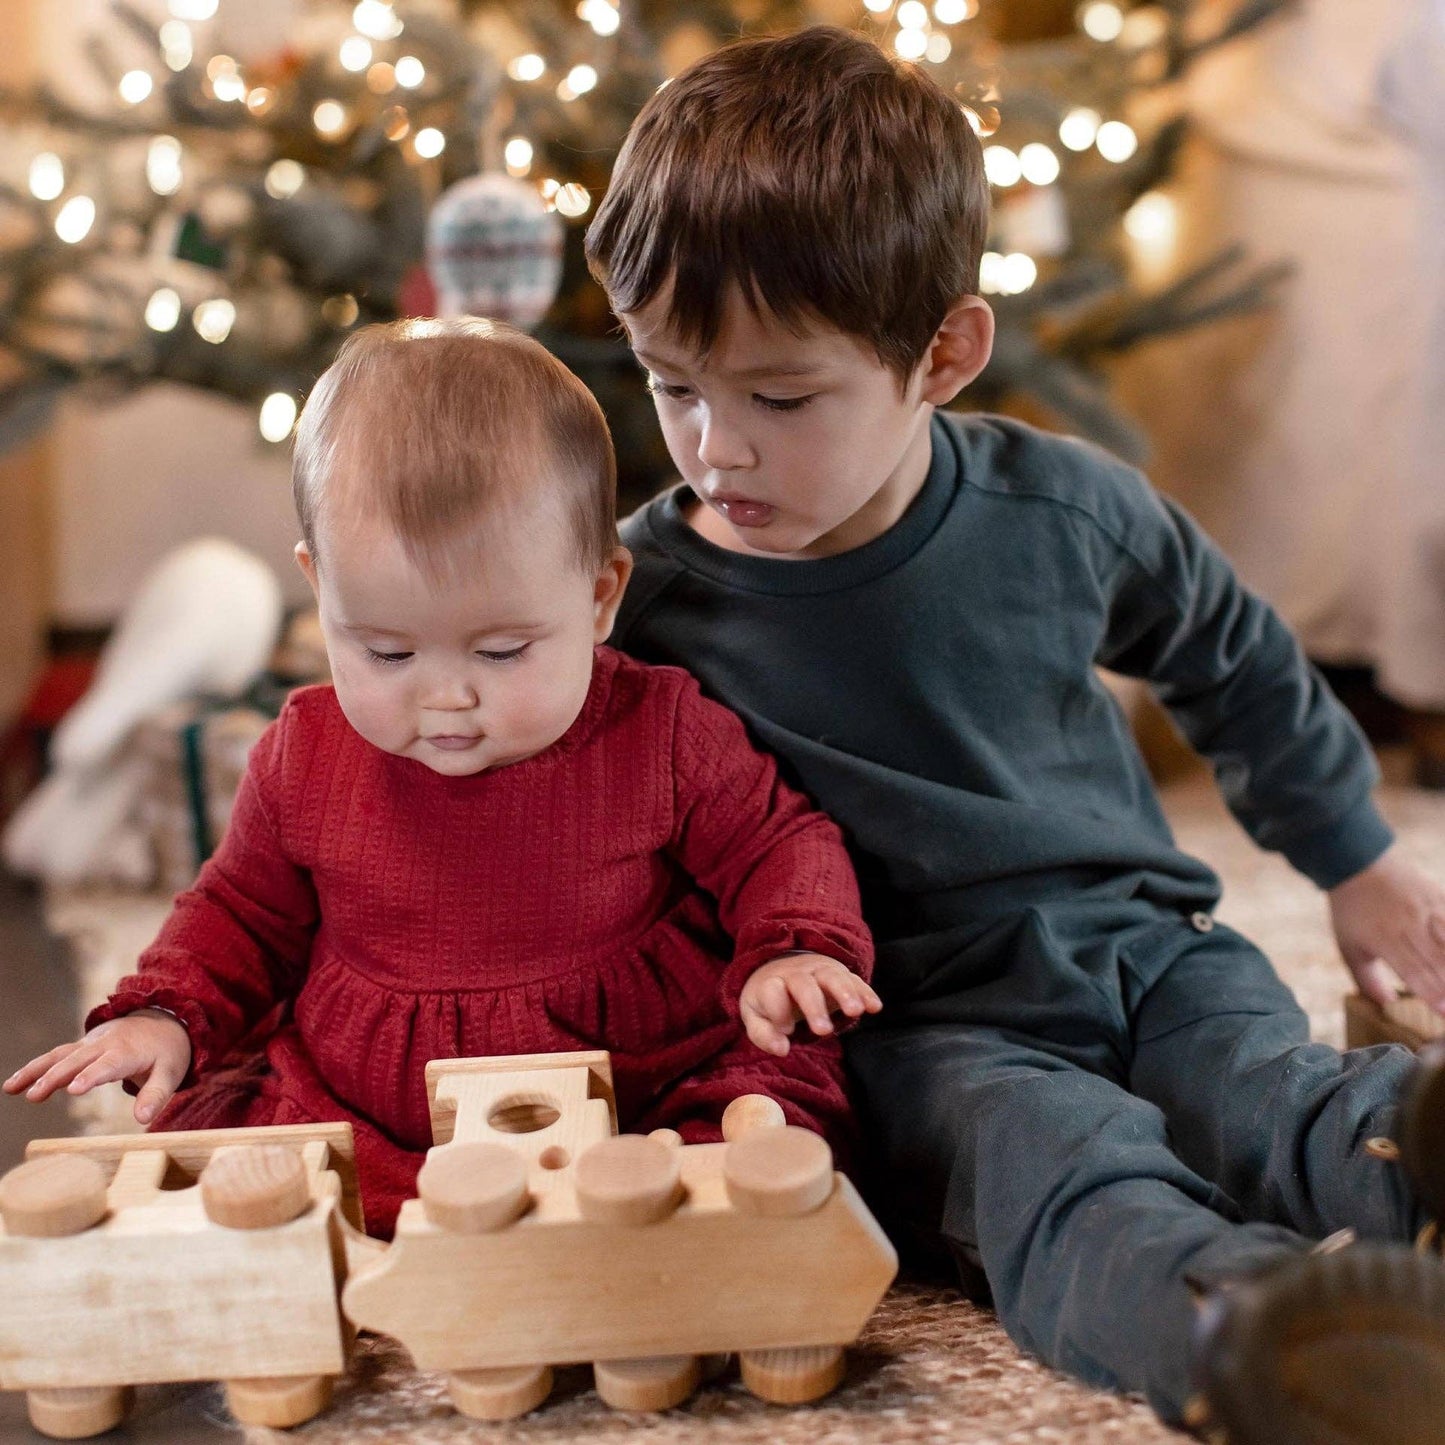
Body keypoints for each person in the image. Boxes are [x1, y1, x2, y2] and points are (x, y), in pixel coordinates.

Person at [583, 25, 1445, 1431]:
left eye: (779, 398)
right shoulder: (645, 596)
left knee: (1266, 1083)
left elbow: (1233, 658)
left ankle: (1403, 1165)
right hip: (917, 1033)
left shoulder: (1063, 509)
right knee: (1065, 1172)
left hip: (1146, 952)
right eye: (671, 385)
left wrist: (1354, 859)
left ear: (943, 355)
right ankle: (1257, 1330)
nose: (713, 446)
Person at [4, 318, 879, 1239]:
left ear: (597, 595)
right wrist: (162, 1017)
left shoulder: (657, 729)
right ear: (321, 590)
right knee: (222, 1137)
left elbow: (776, 839)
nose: (448, 698)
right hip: (376, 1104)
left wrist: (790, 948)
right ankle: (418, 1233)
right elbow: (238, 914)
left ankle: (681, 1220)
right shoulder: (305, 752)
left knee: (778, 1086)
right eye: (384, 650)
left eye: (502, 650)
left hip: (638, 1079)